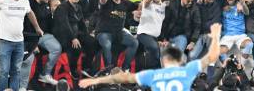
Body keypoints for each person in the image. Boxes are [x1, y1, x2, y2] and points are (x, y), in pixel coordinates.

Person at [78, 23, 222, 89]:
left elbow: (122, 77)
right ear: (179, 61)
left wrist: (95, 81)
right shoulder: (187, 70)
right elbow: (212, 56)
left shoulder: (153, 75)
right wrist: (215, 37)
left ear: (164, 60)